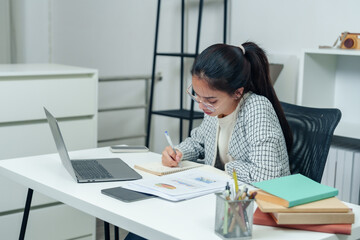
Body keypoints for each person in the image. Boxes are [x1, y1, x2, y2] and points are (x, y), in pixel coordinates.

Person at [161, 42, 293, 183]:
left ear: (237, 92)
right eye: (197, 95)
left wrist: (226, 168)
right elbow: (199, 142)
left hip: (264, 197)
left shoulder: (256, 108)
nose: (201, 105)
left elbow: (267, 175)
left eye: (210, 100)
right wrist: (178, 153)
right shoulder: (213, 108)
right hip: (231, 190)